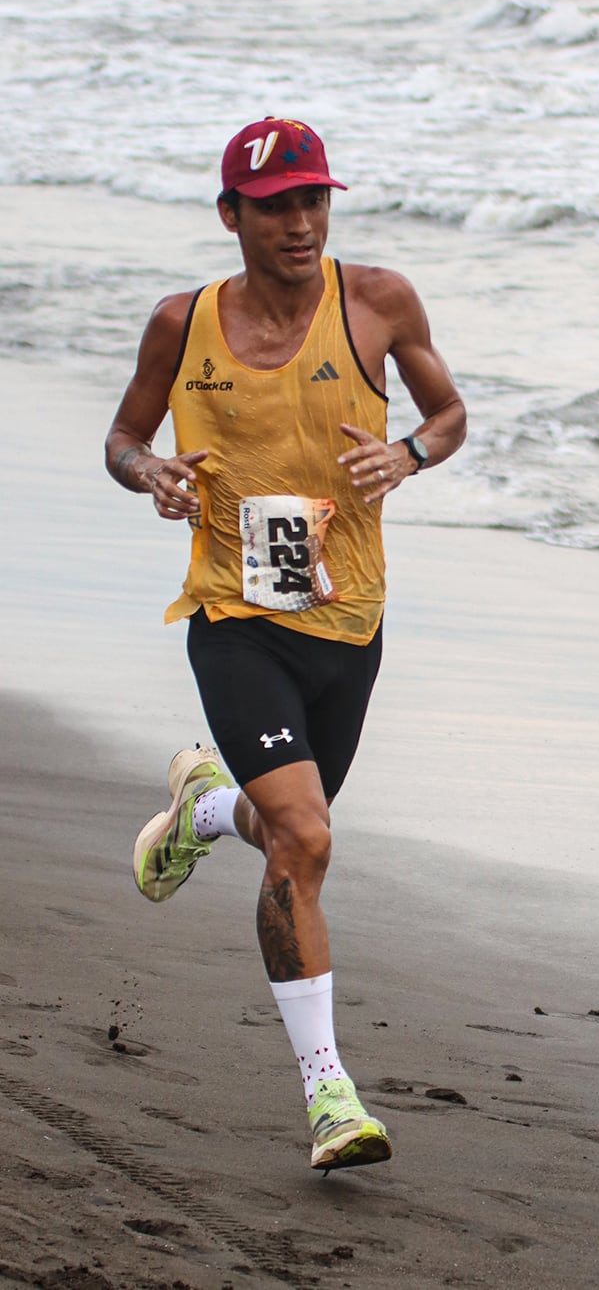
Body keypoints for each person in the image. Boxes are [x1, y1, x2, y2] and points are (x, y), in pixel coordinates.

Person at [105, 116, 466, 1169]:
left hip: (348, 622)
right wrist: (152, 472)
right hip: (235, 620)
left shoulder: (378, 302)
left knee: (285, 836)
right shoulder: (183, 323)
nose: (301, 223)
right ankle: (330, 1097)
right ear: (232, 216)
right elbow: (123, 437)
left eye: (314, 201)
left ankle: (205, 808)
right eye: (276, 207)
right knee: (306, 841)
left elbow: (449, 413)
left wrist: (408, 454)